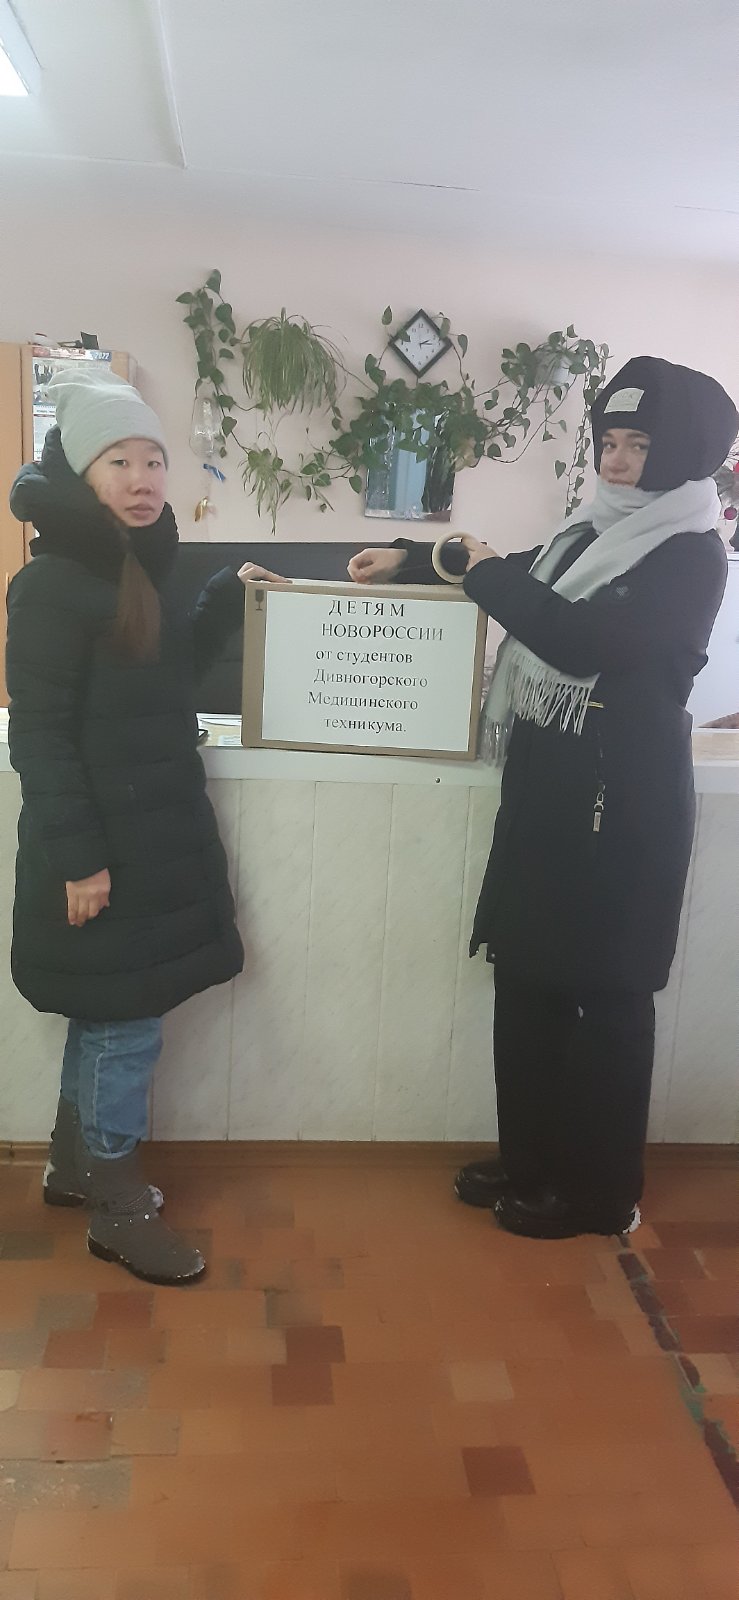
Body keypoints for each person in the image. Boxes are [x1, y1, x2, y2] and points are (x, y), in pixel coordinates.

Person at [347, 356, 739, 1238]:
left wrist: (483, 570)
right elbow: (519, 574)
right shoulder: (585, 533)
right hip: (551, 787)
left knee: (607, 997)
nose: (616, 460)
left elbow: (576, 636)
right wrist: (408, 560)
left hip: (621, 804)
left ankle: (597, 1193)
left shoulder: (690, 552)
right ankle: (530, 1160)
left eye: (639, 445)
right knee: (526, 977)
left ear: (684, 453)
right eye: (609, 441)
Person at [5, 367, 281, 1285]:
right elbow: (39, 738)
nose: (141, 479)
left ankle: (70, 1168)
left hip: (145, 842)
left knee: (107, 1016)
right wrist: (81, 861)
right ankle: (118, 1209)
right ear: (81, 473)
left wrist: (226, 594)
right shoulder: (51, 584)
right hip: (100, 854)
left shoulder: (134, 566)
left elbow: (164, 675)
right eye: (118, 461)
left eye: (153, 460)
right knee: (124, 1030)